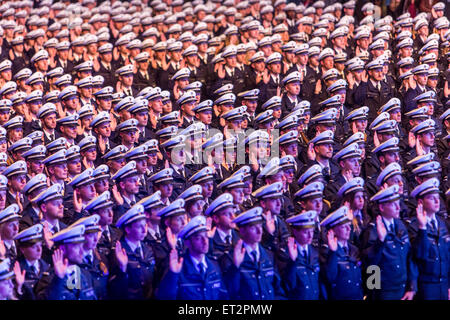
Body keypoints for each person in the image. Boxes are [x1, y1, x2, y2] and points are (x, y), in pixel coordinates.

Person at [361, 185, 417, 300]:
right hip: (384, 292)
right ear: (381, 207)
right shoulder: (372, 230)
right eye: (393, 204)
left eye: (398, 203)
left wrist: (412, 286)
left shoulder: (400, 225)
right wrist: (380, 241)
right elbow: (371, 266)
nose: (398, 208)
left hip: (402, 288)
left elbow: (409, 257)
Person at [157, 215, 228, 300]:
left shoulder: (214, 266)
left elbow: (223, 296)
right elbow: (165, 297)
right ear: (187, 242)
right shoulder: (179, 267)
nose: (205, 241)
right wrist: (173, 275)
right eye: (198, 238)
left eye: (206, 236)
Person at [222, 207, 286, 300]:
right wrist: (235, 267)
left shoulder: (268, 255)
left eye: (260, 226)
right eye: (253, 228)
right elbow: (230, 292)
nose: (259, 231)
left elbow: (277, 289)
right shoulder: (231, 258)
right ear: (242, 231)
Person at [408, 178, 450, 300]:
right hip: (426, 286)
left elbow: (448, 256)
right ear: (420, 202)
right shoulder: (414, 226)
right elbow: (419, 256)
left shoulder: (442, 224)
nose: (437, 201)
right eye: (432, 198)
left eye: (437, 197)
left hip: (444, 284)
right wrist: (422, 228)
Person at [34, 224, 97, 300]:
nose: (81, 251)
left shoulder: (86, 275)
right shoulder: (48, 279)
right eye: (77, 247)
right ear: (62, 249)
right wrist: (58, 279)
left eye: (82, 246)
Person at [109, 204, 156, 300]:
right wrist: (122, 268)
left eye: (145, 225)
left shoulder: (148, 249)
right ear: (128, 229)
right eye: (139, 227)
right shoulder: (118, 252)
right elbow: (114, 291)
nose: (144, 230)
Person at [320, 206, 364, 300]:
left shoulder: (354, 249)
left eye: (349, 225)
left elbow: (369, 270)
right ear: (333, 231)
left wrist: (370, 292)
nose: (349, 229)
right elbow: (330, 277)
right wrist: (333, 252)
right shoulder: (326, 251)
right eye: (344, 227)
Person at [280, 211, 321, 300]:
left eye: (312, 231)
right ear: (295, 231)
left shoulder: (314, 252)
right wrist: (293, 261)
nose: (310, 236)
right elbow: (288, 285)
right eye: (306, 232)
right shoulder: (285, 253)